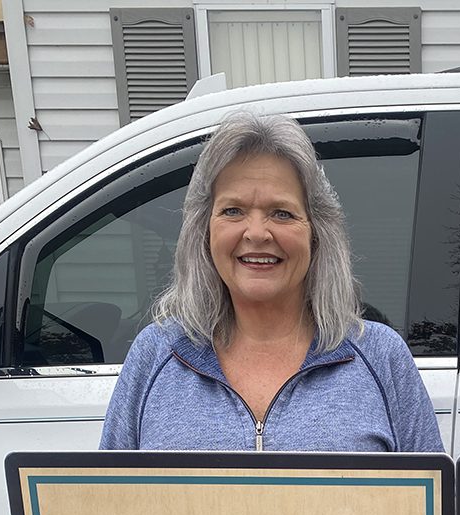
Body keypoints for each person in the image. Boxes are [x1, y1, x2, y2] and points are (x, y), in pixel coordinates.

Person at [100, 110, 442, 454]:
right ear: (204, 231)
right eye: (233, 211)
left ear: (316, 233)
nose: (257, 233)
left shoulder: (381, 357)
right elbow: (105, 501)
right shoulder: (155, 355)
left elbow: (435, 504)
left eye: (282, 213)